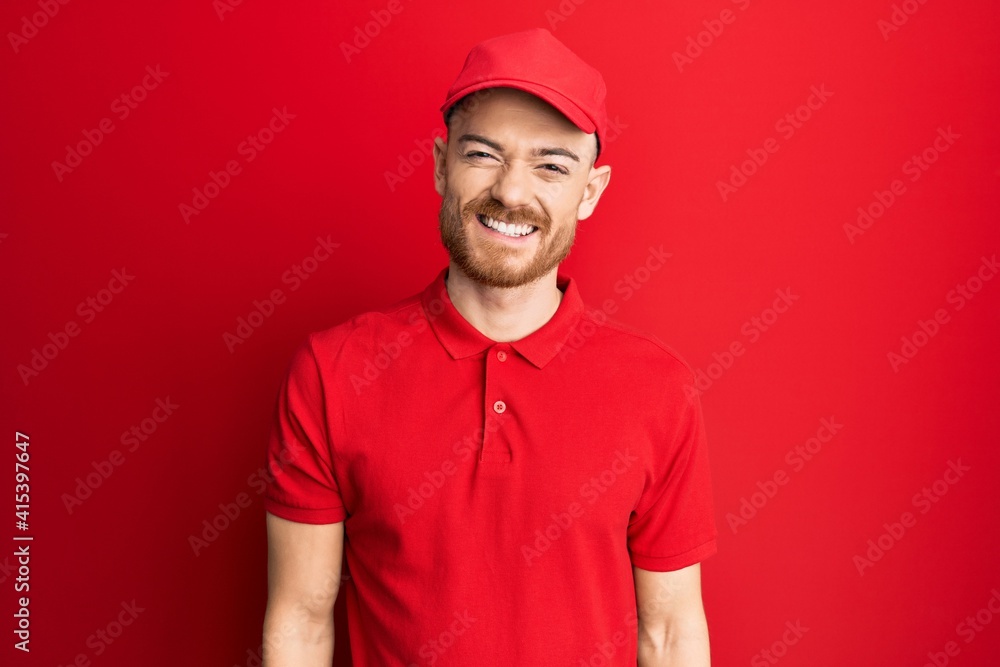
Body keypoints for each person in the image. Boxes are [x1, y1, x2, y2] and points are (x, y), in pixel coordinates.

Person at [261, 27, 717, 666]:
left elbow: (669, 636)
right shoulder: (332, 371)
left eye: (551, 165)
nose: (510, 191)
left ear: (590, 191)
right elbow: (302, 619)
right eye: (483, 154)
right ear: (442, 166)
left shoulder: (658, 388)